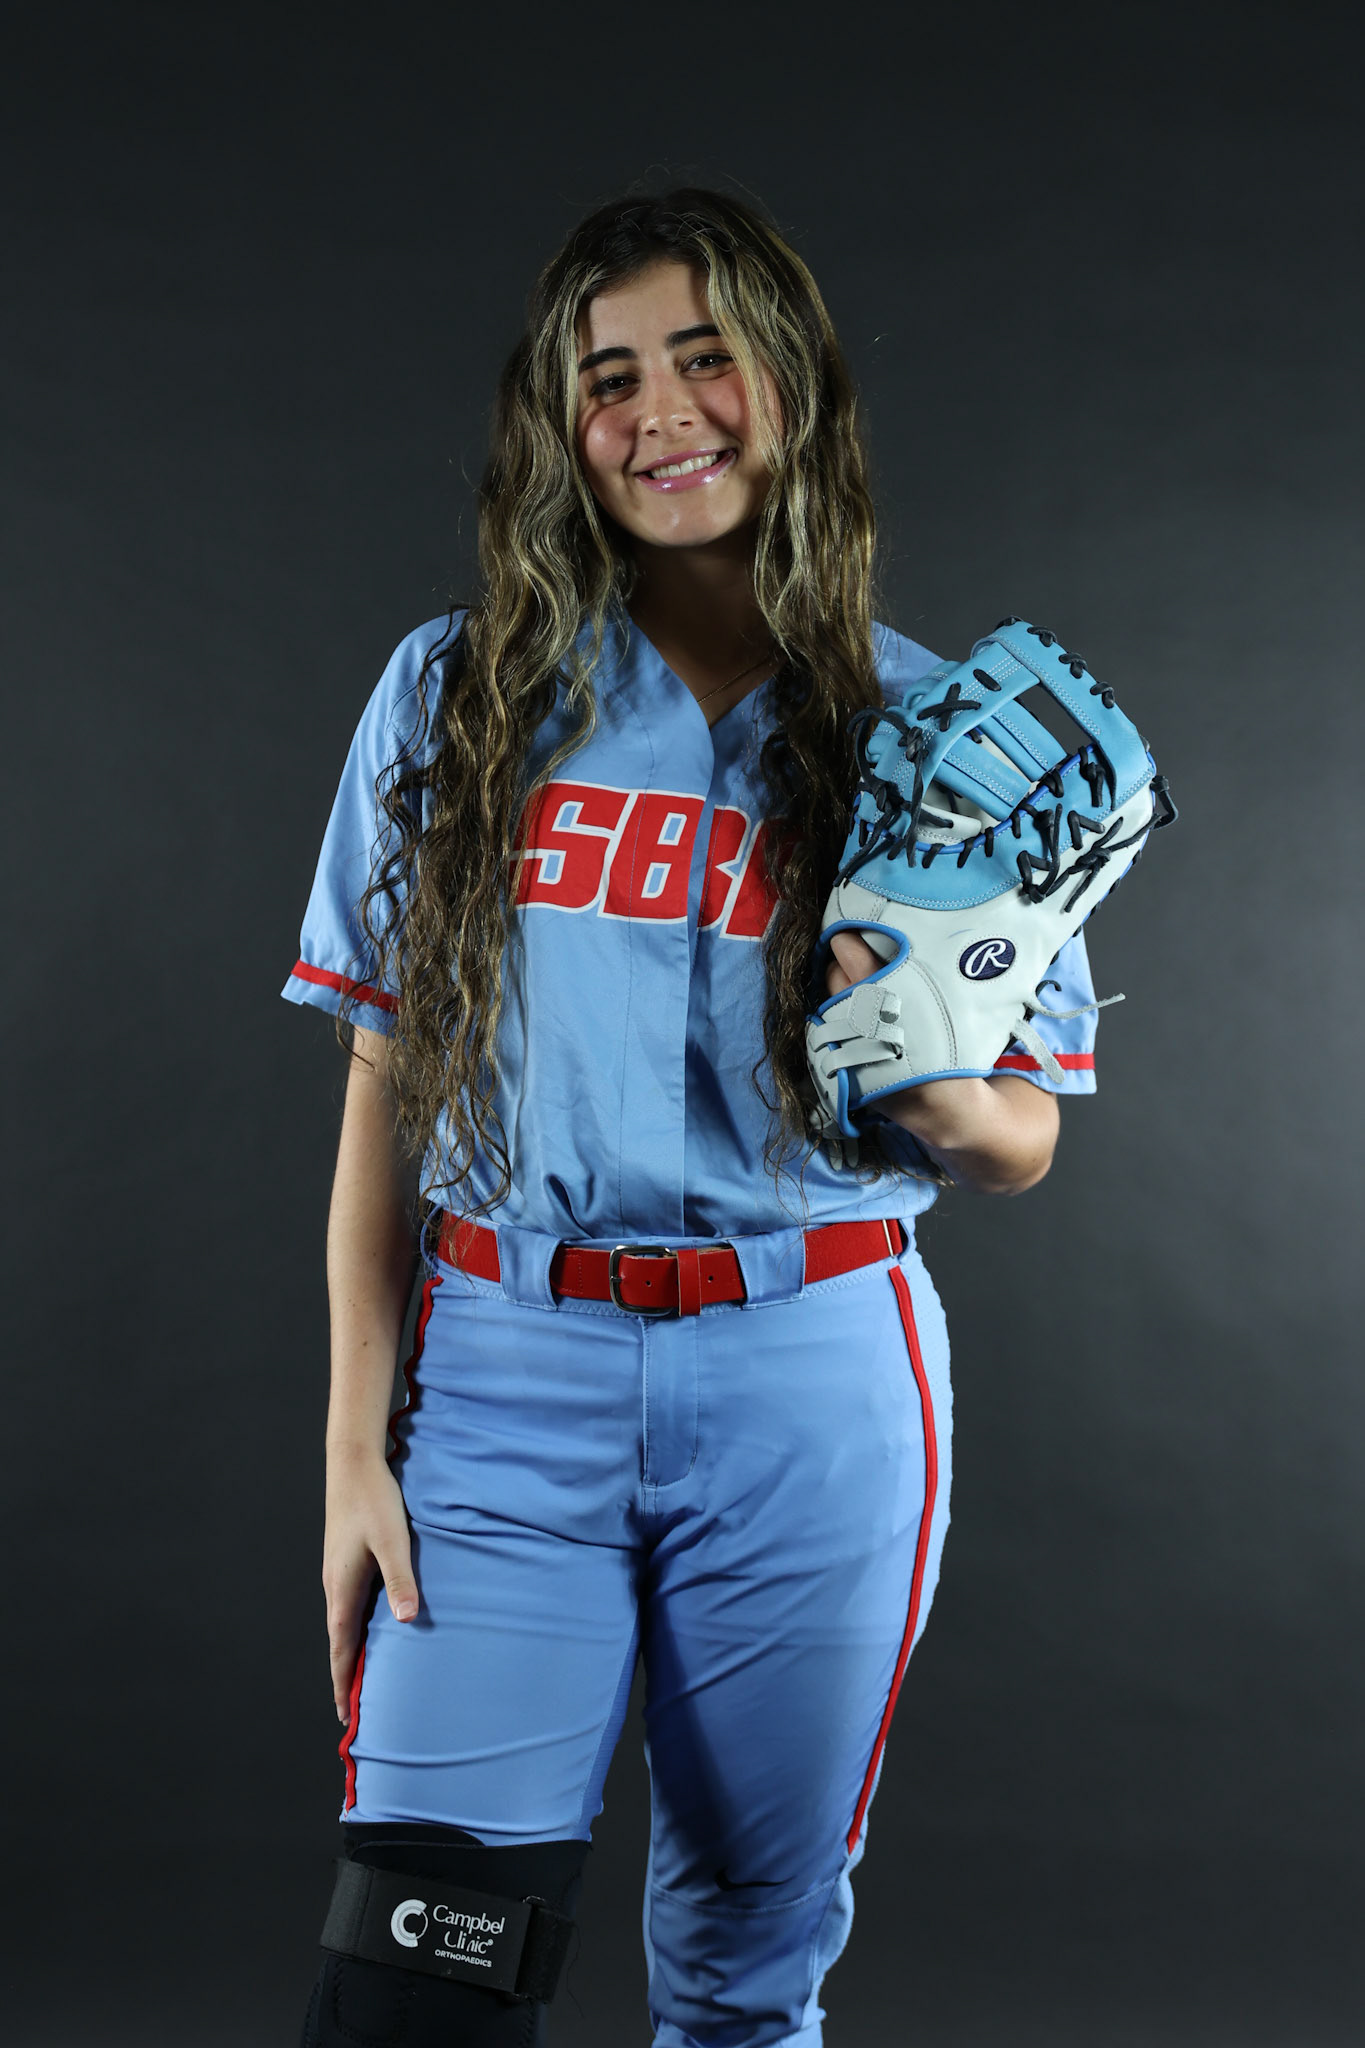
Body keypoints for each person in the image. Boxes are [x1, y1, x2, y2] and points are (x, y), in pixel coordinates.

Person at [283, 187, 1099, 2048]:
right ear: (558, 429)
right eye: (612, 375)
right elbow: (381, 1088)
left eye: (709, 355)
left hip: (811, 1369)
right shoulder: (456, 691)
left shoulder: (938, 734)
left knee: (746, 1960)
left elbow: (1018, 1140)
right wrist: (351, 1445)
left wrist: (924, 1064)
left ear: (792, 384)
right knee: (417, 1968)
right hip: (501, 1370)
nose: (665, 410)